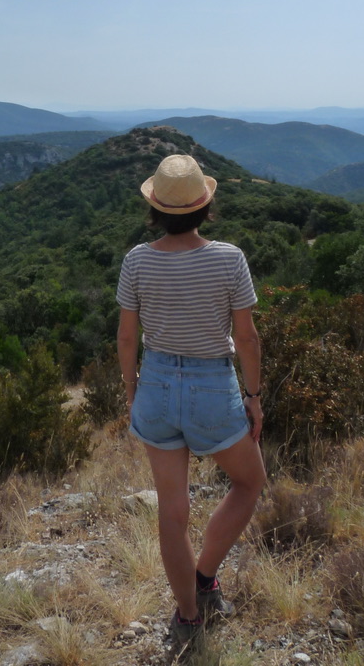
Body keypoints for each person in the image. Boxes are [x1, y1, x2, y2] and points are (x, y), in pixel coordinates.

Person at [116, 153, 266, 657]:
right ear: (205, 207)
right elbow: (246, 338)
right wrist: (254, 397)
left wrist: (133, 391)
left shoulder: (137, 259)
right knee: (249, 482)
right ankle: (205, 577)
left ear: (155, 209)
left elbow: (126, 336)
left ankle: (187, 616)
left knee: (172, 513)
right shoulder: (229, 258)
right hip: (212, 386)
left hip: (156, 383)